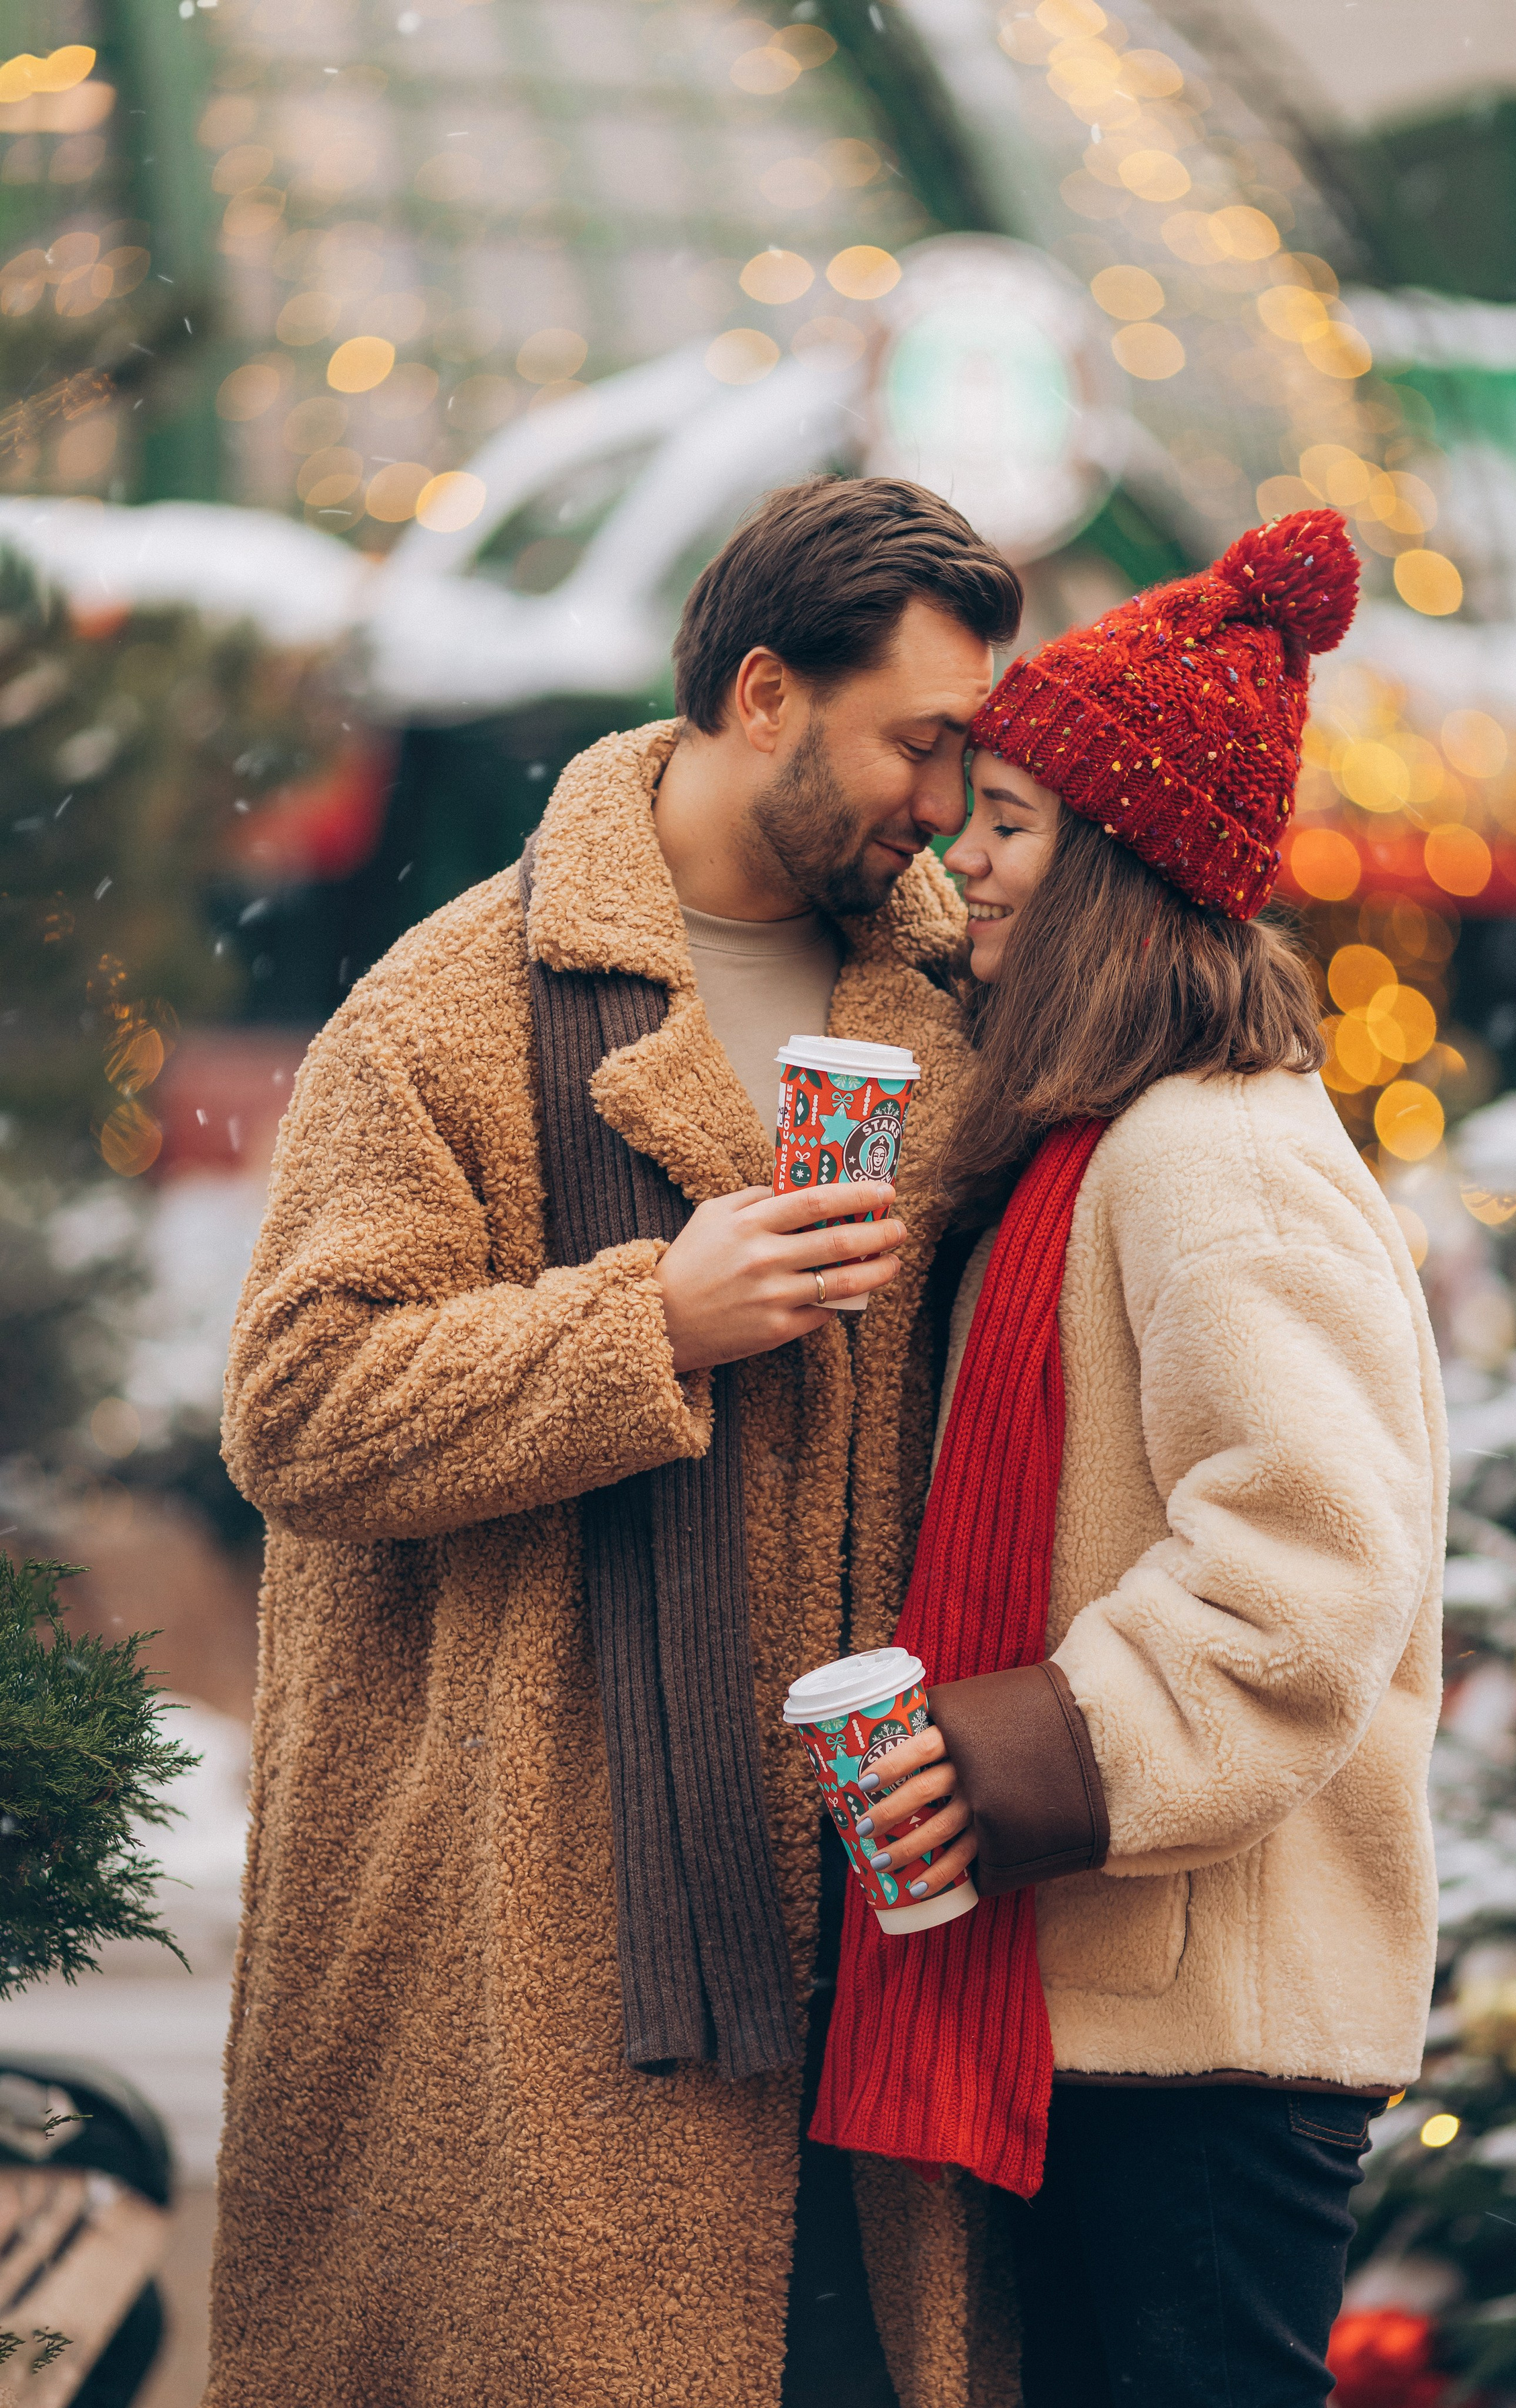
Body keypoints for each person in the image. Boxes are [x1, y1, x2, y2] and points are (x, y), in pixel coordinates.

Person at [209, 476, 1023, 2408]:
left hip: (894, 1906)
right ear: (762, 695)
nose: (939, 797)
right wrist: (650, 1316)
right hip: (555, 1941)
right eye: (916, 740)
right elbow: (300, 1405)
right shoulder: (448, 1004)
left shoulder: (964, 1003)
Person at [812, 509, 1448, 2407]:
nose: (966, 862)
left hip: (1215, 2025)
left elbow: (1312, 1567)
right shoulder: (1106, 1144)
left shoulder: (1208, 1159)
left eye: (1010, 825)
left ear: (1114, 863)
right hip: (1134, 1997)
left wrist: (1007, 1756)